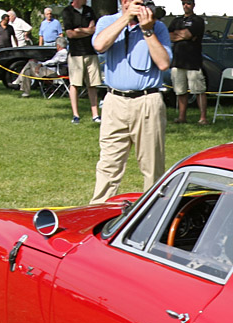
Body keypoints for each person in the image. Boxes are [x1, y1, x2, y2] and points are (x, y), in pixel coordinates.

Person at [89, 0, 172, 204]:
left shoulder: (157, 27)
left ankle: (153, 213)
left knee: (152, 165)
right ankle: (97, 210)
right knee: (109, 162)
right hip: (114, 101)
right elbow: (99, 45)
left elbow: (163, 63)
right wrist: (125, 19)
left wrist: (148, 31)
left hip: (147, 101)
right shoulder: (107, 22)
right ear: (124, 2)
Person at [62, 0, 102, 123]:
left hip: (91, 52)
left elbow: (95, 29)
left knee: (92, 84)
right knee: (75, 84)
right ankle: (76, 115)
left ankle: (95, 115)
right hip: (75, 54)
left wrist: (80, 30)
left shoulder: (89, 10)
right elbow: (70, 34)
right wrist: (87, 31)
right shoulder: (67, 11)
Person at [169, 0, 207, 125]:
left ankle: (203, 118)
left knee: (198, 90)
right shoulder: (176, 20)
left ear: (193, 5)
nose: (186, 5)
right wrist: (183, 35)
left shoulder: (197, 20)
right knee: (180, 91)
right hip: (178, 61)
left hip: (193, 62)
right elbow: (170, 36)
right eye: (184, 3)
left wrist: (181, 34)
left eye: (188, 3)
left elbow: (188, 34)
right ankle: (182, 117)